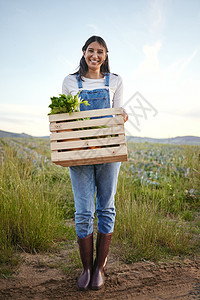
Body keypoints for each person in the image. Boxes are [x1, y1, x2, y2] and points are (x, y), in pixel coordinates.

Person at [62, 36, 128, 290]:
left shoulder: (116, 81)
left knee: (106, 207)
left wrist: (122, 116)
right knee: (83, 211)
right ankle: (86, 268)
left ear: (106, 55)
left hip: (109, 149)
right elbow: (67, 116)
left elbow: (117, 112)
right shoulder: (70, 81)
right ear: (84, 52)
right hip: (79, 150)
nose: (95, 55)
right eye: (91, 50)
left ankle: (99, 267)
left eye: (100, 52)